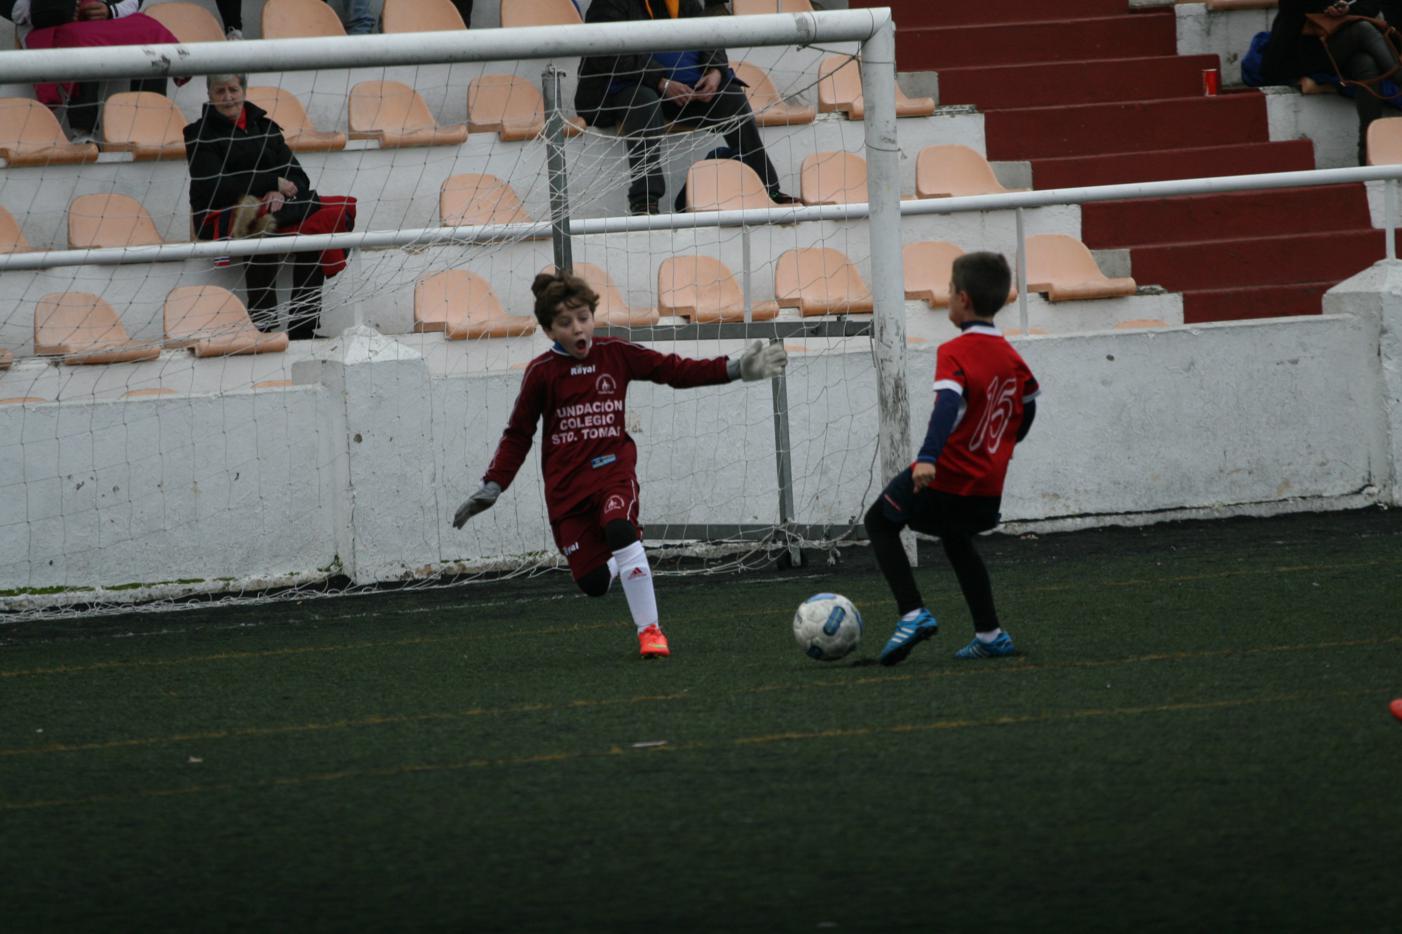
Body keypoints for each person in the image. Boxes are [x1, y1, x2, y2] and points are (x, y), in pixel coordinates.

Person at [453, 271, 789, 658]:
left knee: (618, 526)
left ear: (592, 317)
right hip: (566, 490)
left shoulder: (616, 354)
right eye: (565, 322)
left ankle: (650, 631)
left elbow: (674, 370)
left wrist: (734, 368)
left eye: (583, 318)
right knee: (594, 583)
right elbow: (518, 434)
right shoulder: (541, 374)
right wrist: (494, 485)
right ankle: (628, 558)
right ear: (548, 331)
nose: (578, 328)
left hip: (613, 471)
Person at [864, 251, 1040, 666]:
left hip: (947, 477)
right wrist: (1002, 446)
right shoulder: (1011, 357)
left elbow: (947, 405)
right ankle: (990, 635)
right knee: (957, 538)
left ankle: (912, 613)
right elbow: (1029, 405)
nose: (946, 296)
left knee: (879, 522)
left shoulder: (956, 351)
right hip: (986, 488)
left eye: (948, 289)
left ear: (962, 299)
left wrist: (927, 457)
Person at [574, 0, 798, 215]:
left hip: (679, 89)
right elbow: (606, 54)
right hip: (621, 90)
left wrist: (715, 71)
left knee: (731, 97)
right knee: (644, 100)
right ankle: (645, 202)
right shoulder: (607, 3)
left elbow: (709, 35)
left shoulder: (685, 2)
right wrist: (661, 81)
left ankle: (768, 188)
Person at [184, 73, 357, 340]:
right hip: (221, 214)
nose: (228, 97)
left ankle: (303, 327)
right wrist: (270, 182)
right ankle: (262, 326)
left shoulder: (265, 127)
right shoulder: (198, 134)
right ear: (209, 95)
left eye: (233, 90)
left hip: (275, 208)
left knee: (319, 224)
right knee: (261, 225)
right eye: (220, 91)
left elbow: (298, 177)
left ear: (243, 91)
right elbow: (214, 187)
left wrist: (279, 192)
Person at [1261, 0, 1402, 163]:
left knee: (1366, 64)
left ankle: (1367, 153)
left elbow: (1371, 6)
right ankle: (1398, 76)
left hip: (1345, 43)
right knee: (1363, 30)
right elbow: (1291, 8)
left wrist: (1347, 8)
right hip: (1303, 49)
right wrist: (1326, 6)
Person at [15, 0, 175, 142]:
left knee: (152, 32)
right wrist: (58, 10)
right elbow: (15, 9)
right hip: (51, 27)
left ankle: (152, 125)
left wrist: (109, 10)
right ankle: (83, 133)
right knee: (80, 42)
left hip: (104, 22)